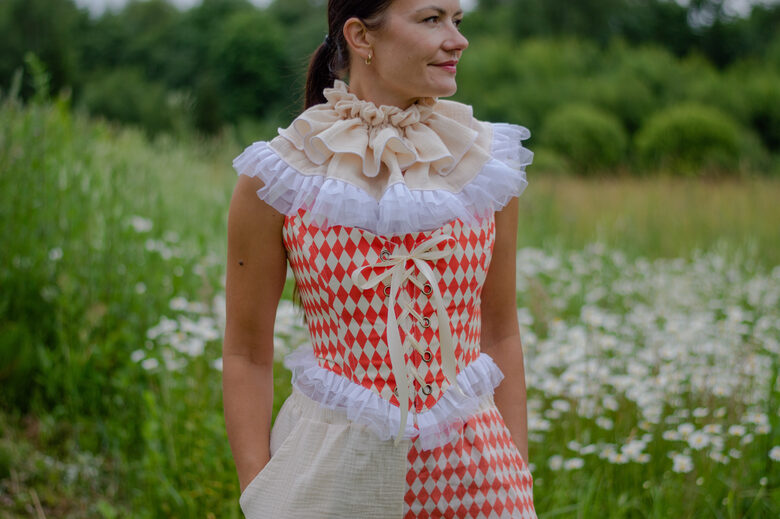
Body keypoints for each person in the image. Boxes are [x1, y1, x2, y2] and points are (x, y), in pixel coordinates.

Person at [222, 0, 536, 517]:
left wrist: (516, 474)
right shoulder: (279, 175)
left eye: (458, 21)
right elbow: (246, 354)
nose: (457, 40)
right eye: (432, 19)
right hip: (329, 483)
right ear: (361, 37)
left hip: (478, 481)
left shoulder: (485, 163)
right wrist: (257, 491)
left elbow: (499, 331)